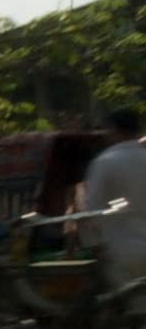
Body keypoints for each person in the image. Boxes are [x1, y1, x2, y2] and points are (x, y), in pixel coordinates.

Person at [82, 109, 146, 313]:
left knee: (135, 312)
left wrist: (94, 246)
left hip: (122, 252)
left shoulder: (104, 162)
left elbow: (91, 210)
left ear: (113, 129)